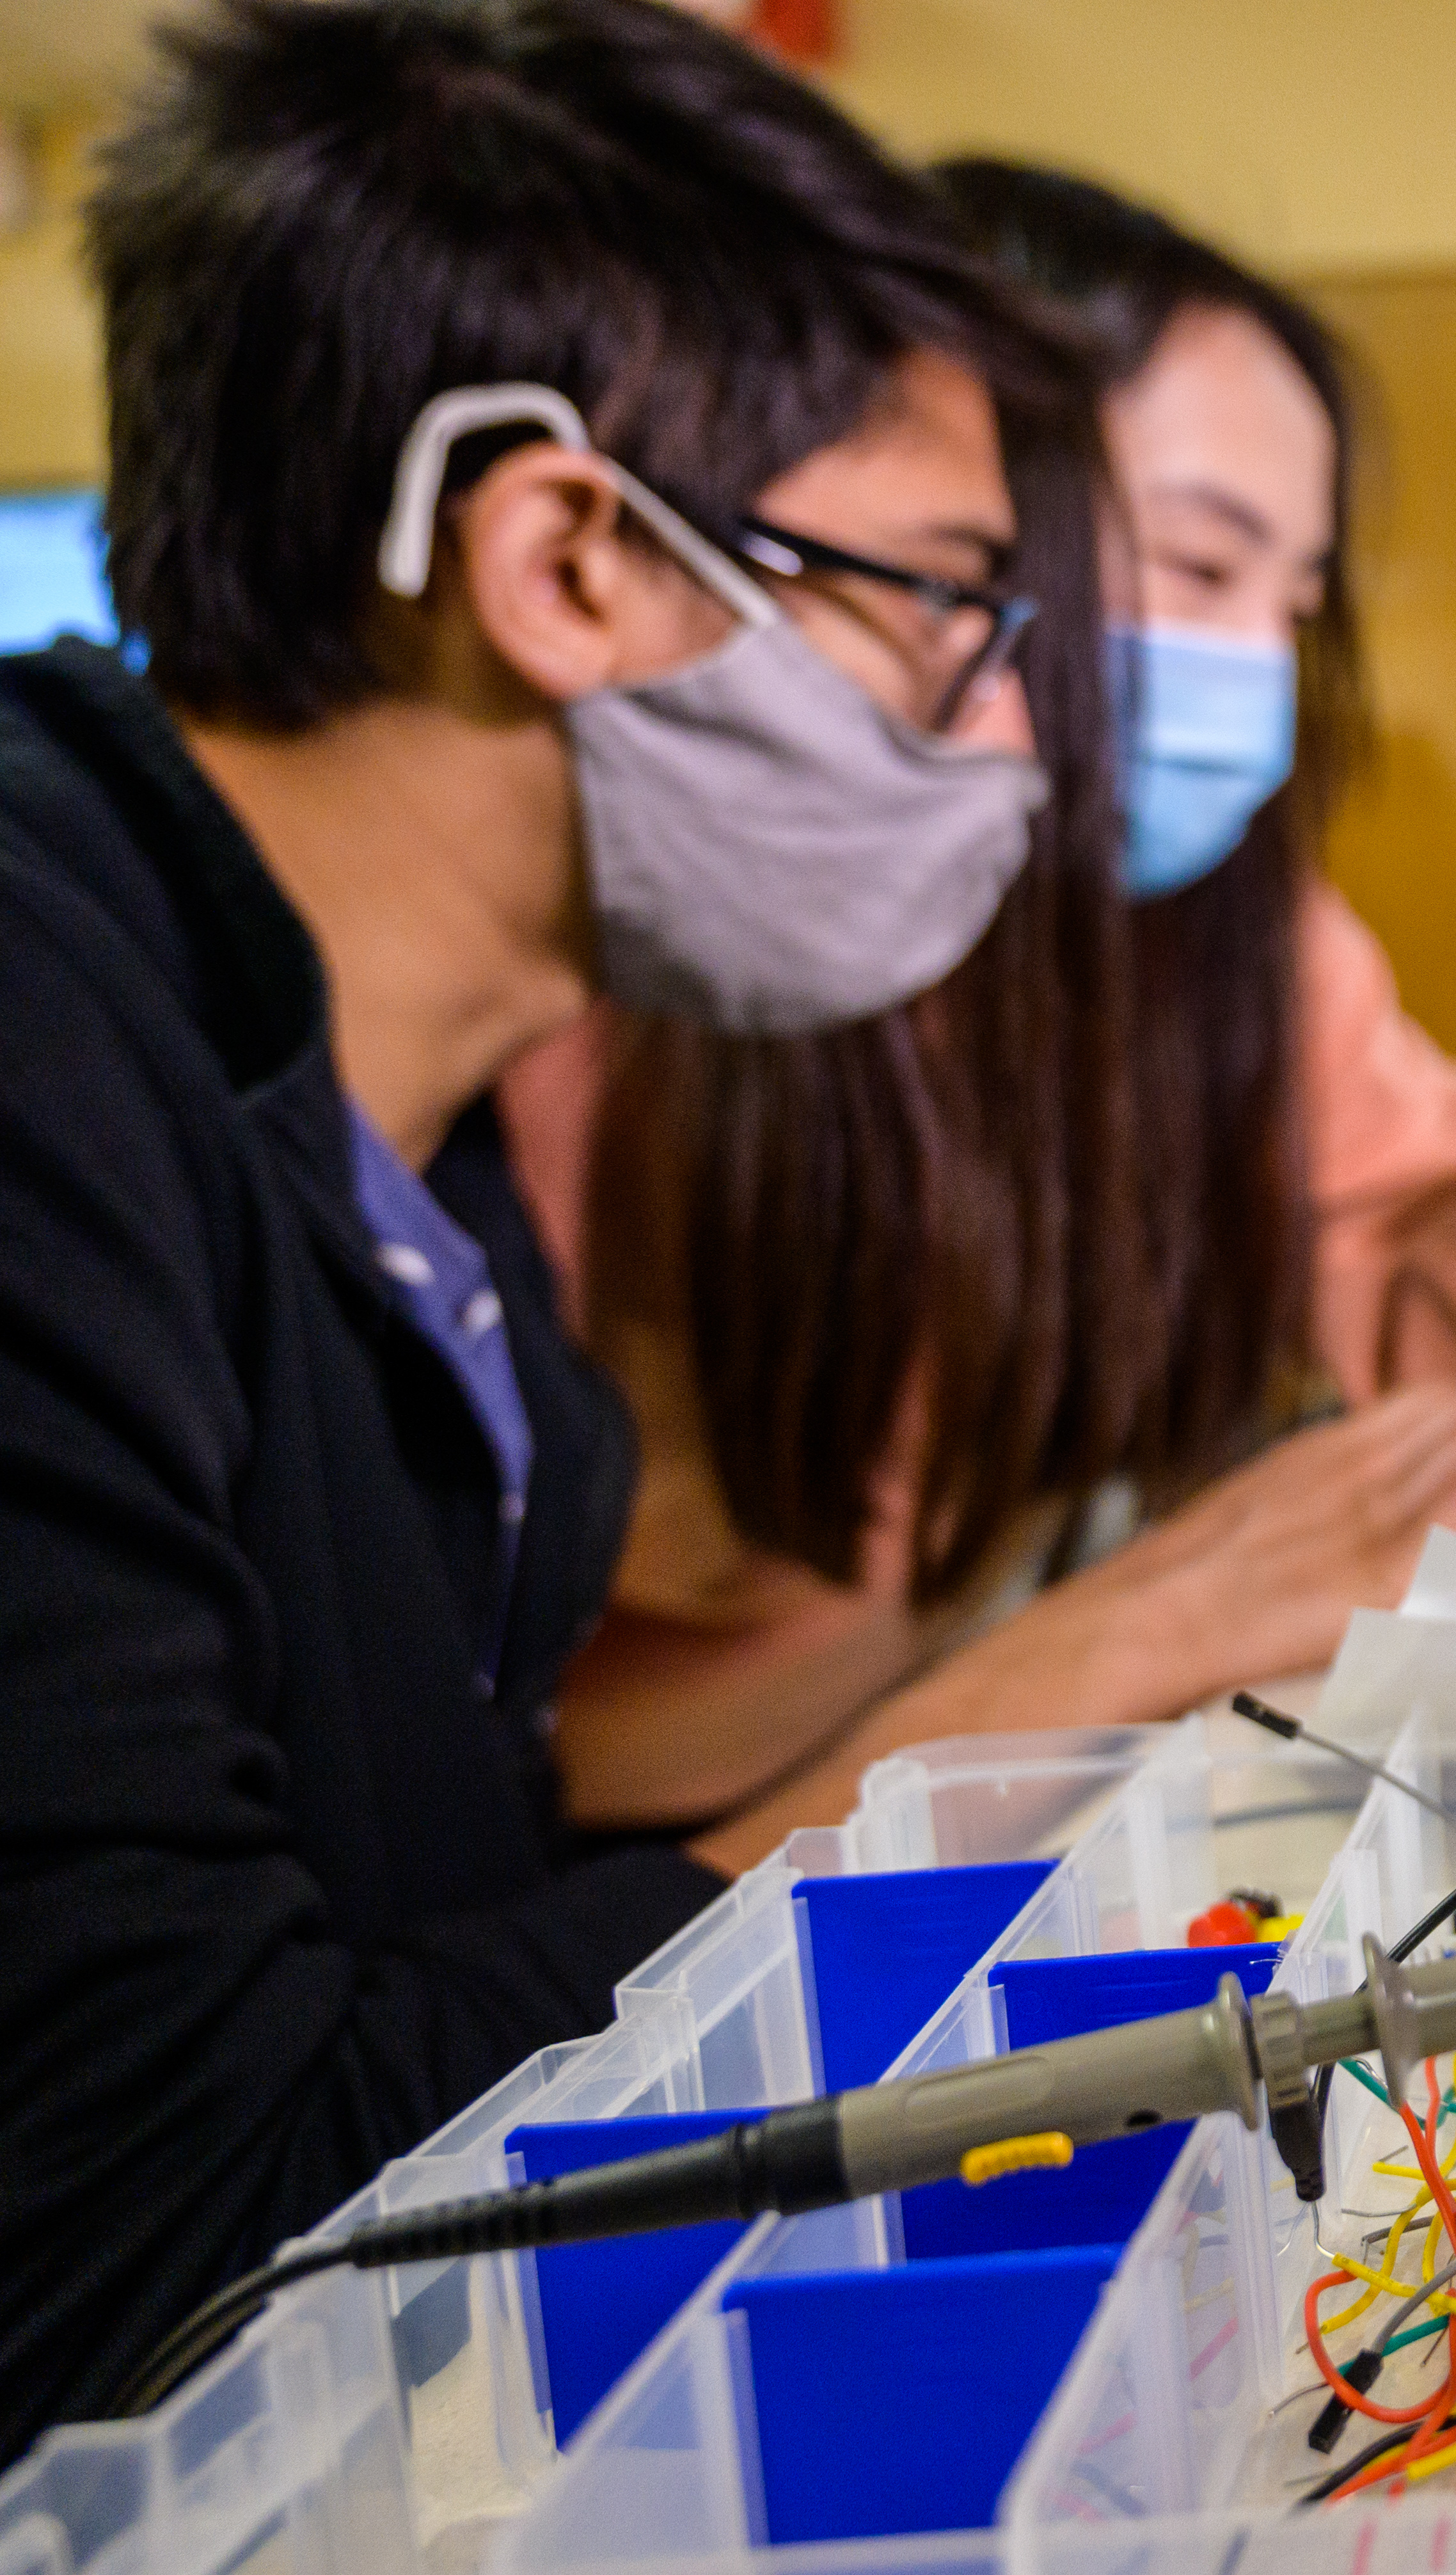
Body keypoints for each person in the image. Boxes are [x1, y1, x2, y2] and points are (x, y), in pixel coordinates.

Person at [0, 0, 1113, 2448]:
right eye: (945, 600)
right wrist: (1000, 1727)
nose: (1009, 737)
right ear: (568, 559)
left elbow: (413, 1949)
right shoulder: (44, 1055)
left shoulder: (409, 1143)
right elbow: (164, 2273)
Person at [509, 165, 1456, 1844]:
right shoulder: (634, 944)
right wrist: (1147, 1618)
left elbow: (1432, 1369)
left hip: (922, 1787)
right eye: (1202, 565)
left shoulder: (1224, 945)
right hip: (629, 1861)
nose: (1257, 673)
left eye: (1295, 606)